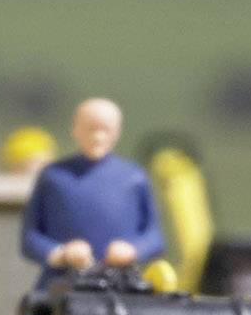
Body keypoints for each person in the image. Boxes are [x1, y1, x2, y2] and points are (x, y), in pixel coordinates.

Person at [21, 97, 163, 282]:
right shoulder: (53, 176)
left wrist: (133, 250)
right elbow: (30, 238)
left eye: (105, 129)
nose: (98, 137)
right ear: (75, 129)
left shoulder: (134, 177)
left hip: (122, 284)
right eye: (90, 128)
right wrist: (62, 253)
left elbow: (155, 237)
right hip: (62, 283)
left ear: (117, 132)